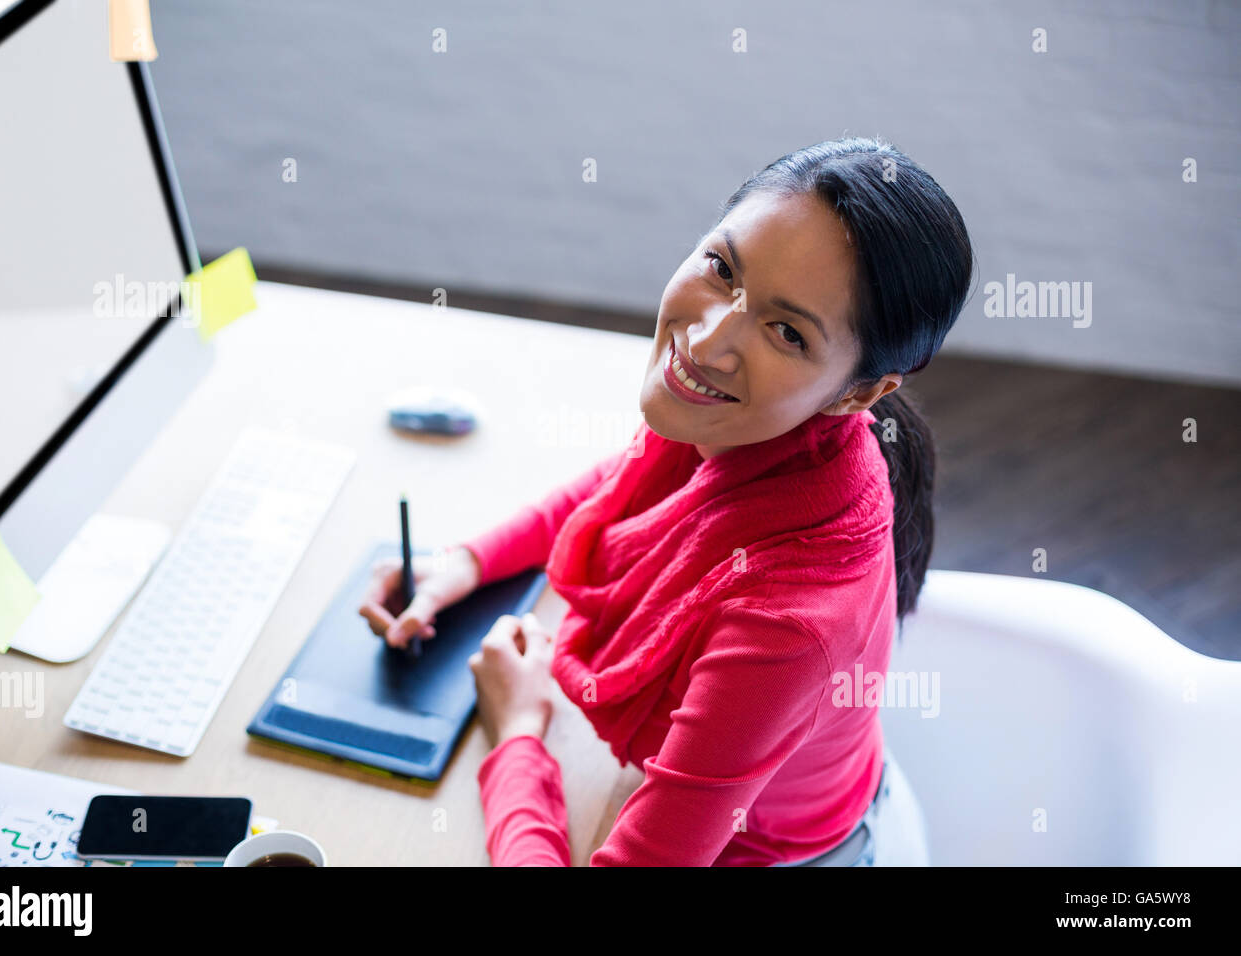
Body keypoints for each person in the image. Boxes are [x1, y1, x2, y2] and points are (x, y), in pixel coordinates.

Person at [360, 136, 974, 866]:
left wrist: (520, 733)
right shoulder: (755, 422)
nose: (709, 340)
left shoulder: (785, 630)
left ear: (861, 393)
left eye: (786, 331)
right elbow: (619, 488)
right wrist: (466, 562)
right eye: (722, 268)